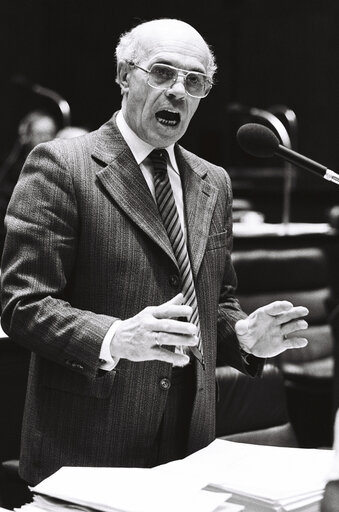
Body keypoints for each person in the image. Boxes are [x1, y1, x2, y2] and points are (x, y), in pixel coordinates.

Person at [0, 18, 309, 486]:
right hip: (89, 447)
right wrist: (115, 337)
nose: (178, 91)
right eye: (162, 73)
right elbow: (23, 305)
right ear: (125, 76)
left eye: (194, 81)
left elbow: (214, 303)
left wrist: (242, 335)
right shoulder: (61, 166)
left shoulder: (213, 182)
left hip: (191, 444)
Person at [0, 110, 58, 253]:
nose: (46, 139)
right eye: (40, 134)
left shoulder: (58, 166)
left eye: (50, 133)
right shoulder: (13, 166)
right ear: (25, 136)